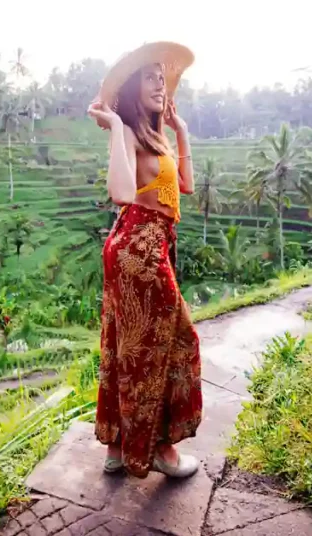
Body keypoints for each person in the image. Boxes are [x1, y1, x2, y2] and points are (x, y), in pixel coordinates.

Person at [87, 42, 203, 479]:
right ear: (133, 88)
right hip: (139, 250)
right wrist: (115, 124)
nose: (160, 84)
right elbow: (120, 193)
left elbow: (185, 187)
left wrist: (182, 131)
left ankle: (118, 448)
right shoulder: (130, 135)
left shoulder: (156, 137)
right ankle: (161, 451)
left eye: (162, 77)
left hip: (145, 246)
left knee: (126, 345)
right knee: (172, 344)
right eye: (151, 78)